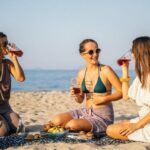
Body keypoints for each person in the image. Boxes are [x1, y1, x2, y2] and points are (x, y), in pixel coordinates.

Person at [51, 39, 122, 135]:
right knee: (56, 121)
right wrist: (76, 95)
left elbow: (122, 92)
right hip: (86, 112)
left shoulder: (106, 70)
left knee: (71, 125)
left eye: (97, 51)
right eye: (91, 52)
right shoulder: (81, 73)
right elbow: (80, 100)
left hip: (102, 115)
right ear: (82, 54)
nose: (95, 54)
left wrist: (104, 99)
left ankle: (85, 126)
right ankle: (82, 125)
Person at [106, 36, 150, 142]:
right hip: (144, 118)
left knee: (111, 130)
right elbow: (126, 96)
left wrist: (136, 126)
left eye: (133, 50)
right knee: (115, 126)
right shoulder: (143, 75)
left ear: (140, 52)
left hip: (145, 121)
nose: (132, 54)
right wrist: (125, 70)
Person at [0, 32, 25, 136]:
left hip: (5, 107)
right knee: (4, 131)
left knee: (19, 128)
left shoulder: (7, 63)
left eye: (7, 42)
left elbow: (21, 78)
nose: (8, 45)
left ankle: (8, 119)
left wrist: (14, 59)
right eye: (4, 43)